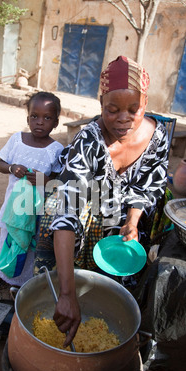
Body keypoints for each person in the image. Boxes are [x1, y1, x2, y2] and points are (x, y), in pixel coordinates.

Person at [35, 55, 169, 346]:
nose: (123, 119)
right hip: (87, 205)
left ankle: (117, 298)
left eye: (134, 110)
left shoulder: (157, 136)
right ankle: (70, 290)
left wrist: (132, 221)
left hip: (125, 210)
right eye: (112, 109)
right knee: (56, 216)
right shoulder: (88, 141)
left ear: (145, 103)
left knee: (135, 255)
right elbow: (67, 211)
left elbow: (147, 186)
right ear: (100, 104)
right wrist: (68, 295)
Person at [0, 91, 64, 292]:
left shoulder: (56, 149)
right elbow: (0, 163)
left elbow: (58, 182)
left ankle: (23, 284)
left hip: (37, 211)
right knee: (7, 241)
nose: (40, 122)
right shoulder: (16, 140)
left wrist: (44, 180)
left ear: (56, 122)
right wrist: (12, 168)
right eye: (34, 116)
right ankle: (3, 274)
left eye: (47, 118)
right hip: (14, 207)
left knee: (30, 246)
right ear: (27, 118)